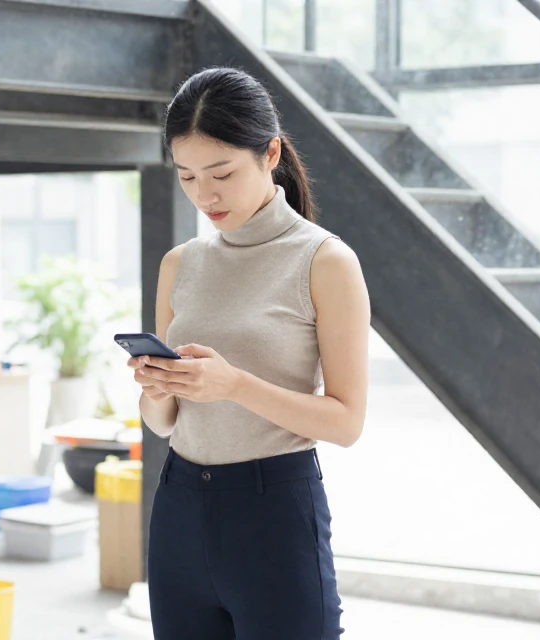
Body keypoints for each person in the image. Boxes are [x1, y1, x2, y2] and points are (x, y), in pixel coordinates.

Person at [130, 67, 370, 639]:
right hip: (179, 507)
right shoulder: (180, 264)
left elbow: (346, 423)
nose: (204, 195)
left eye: (222, 173)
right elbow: (163, 423)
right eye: (187, 176)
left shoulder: (325, 261)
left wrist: (235, 385)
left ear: (270, 154)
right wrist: (158, 388)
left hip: (274, 514)